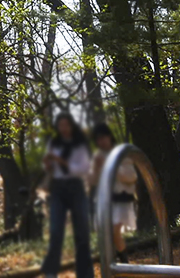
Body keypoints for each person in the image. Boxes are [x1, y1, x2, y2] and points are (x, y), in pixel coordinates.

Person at [41, 112, 93, 278]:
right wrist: (48, 163)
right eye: (60, 125)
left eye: (66, 125)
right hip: (58, 188)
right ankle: (50, 272)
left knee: (82, 233)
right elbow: (48, 167)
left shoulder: (80, 144)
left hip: (76, 187)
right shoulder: (54, 143)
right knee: (55, 231)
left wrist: (61, 161)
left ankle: (85, 274)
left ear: (71, 126)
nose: (63, 128)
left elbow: (83, 168)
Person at [89, 122, 139, 259]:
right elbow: (92, 181)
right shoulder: (97, 156)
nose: (101, 141)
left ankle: (122, 261)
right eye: (98, 139)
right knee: (107, 233)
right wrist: (97, 168)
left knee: (114, 230)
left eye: (103, 137)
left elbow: (131, 176)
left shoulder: (120, 154)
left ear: (109, 136)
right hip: (105, 201)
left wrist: (111, 166)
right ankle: (115, 260)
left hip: (122, 198)